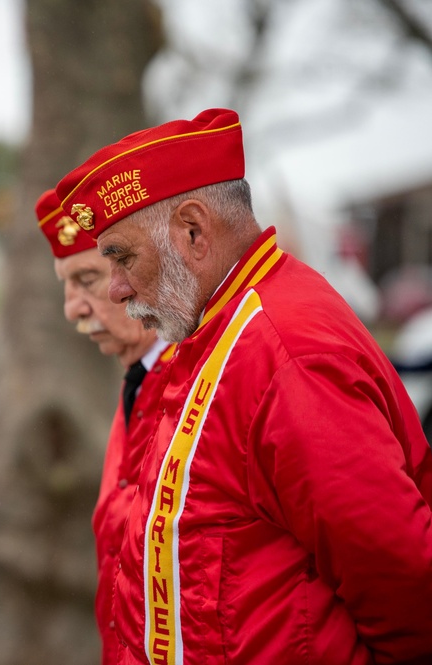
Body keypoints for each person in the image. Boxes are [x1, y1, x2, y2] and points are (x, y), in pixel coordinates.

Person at [53, 108, 432, 664]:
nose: (116, 290)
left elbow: (405, 586)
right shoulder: (214, 332)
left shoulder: (284, 349)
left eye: (122, 258)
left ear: (193, 230)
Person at [36, 188, 171, 664]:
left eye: (88, 278)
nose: (72, 308)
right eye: (66, 285)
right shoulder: (141, 376)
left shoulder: (194, 379)